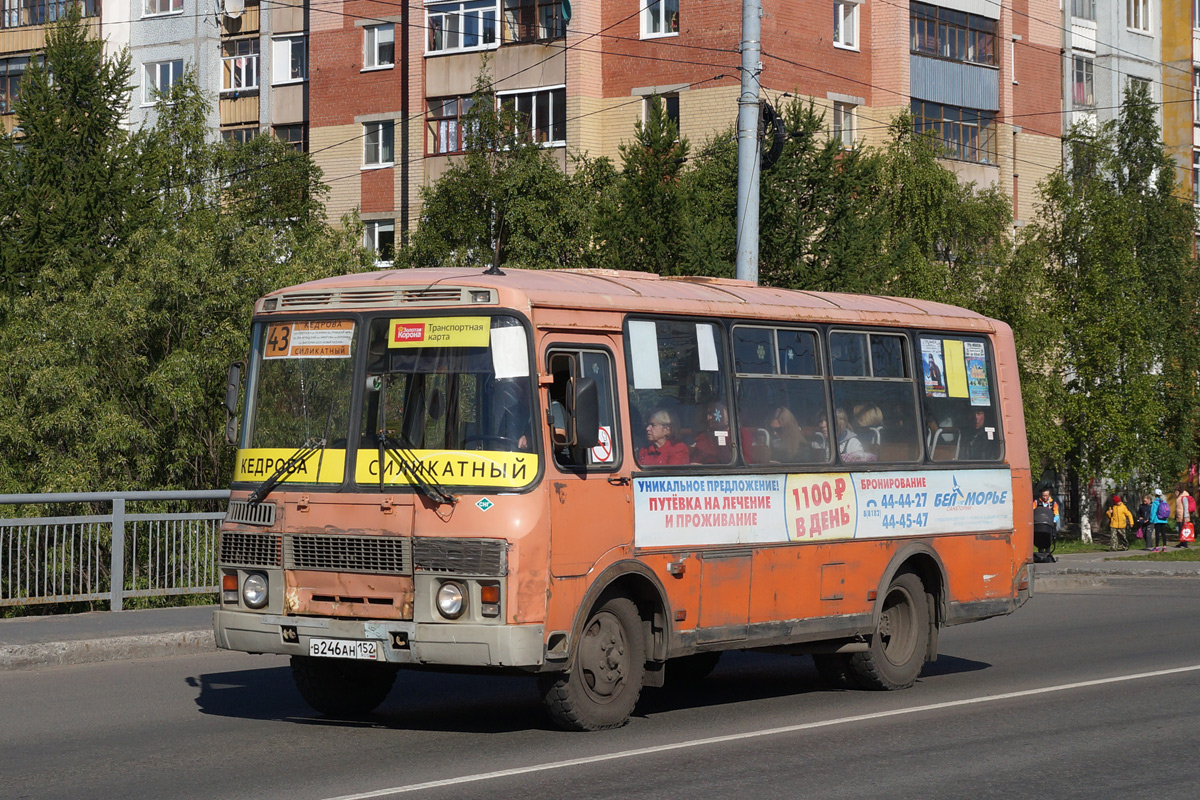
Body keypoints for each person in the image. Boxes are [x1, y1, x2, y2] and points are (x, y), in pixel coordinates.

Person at [1033, 488, 1059, 561]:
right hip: (1039, 523)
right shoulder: (1036, 502)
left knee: (1048, 539)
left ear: (1049, 495)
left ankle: (1048, 554)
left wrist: (1053, 521)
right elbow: (1032, 511)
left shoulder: (1053, 503)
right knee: (1040, 538)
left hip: (1049, 524)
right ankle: (1040, 554)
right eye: (1043, 495)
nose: (1044, 497)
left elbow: (1057, 514)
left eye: (1046, 496)